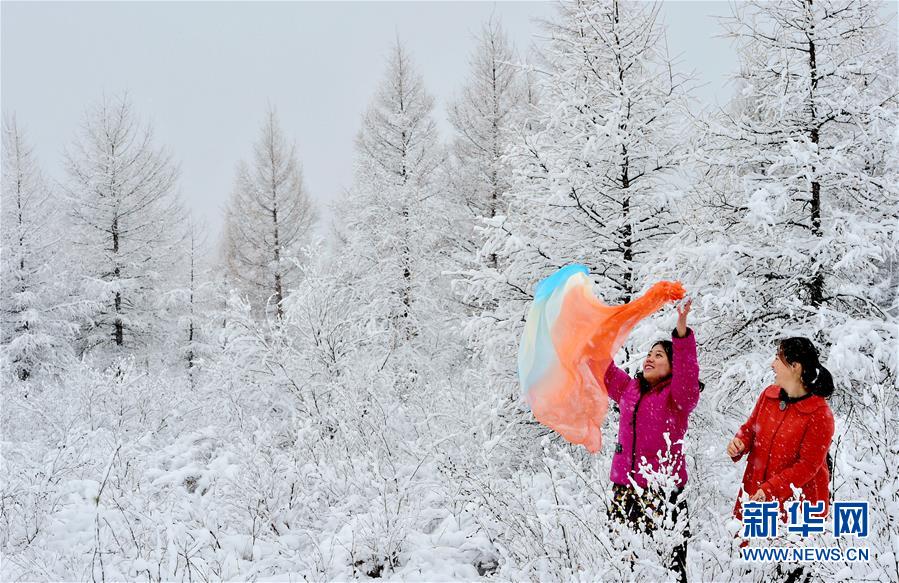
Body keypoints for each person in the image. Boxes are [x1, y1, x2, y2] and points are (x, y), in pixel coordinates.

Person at [589, 299, 700, 583]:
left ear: (673, 367)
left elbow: (688, 375)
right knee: (624, 560)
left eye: (659, 355)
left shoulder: (678, 399)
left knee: (670, 564)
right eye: (649, 354)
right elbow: (602, 368)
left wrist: (682, 332)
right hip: (625, 490)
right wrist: (589, 338)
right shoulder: (630, 389)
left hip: (663, 492)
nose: (650, 358)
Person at [727, 337, 835, 583]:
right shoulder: (769, 396)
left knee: (787, 573)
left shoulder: (819, 414)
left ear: (795, 367)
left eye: (778, 358)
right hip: (758, 493)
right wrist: (739, 443)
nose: (772, 364)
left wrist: (771, 489)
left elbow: (808, 466)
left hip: (796, 507)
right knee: (751, 570)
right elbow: (751, 429)